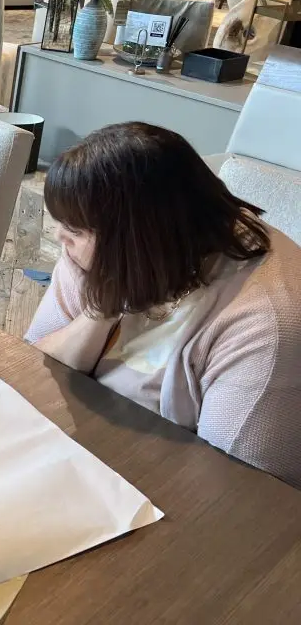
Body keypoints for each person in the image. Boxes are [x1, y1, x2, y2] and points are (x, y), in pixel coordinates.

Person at [25, 123, 301, 487]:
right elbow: (35, 367)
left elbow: (235, 489)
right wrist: (102, 307)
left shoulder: (265, 324)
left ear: (142, 239)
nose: (60, 237)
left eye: (74, 231)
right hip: (84, 453)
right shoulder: (106, 248)